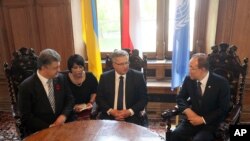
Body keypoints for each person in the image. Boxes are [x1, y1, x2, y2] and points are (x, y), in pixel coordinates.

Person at [171, 53, 230, 141]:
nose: (189, 70)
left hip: (210, 123)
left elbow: (223, 108)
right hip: (192, 120)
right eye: (189, 67)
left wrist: (203, 119)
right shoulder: (189, 80)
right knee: (175, 135)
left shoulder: (221, 83)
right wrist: (187, 110)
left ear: (202, 69)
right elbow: (180, 98)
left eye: (192, 68)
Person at [18, 48, 75, 134]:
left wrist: (63, 116)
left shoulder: (61, 78)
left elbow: (70, 99)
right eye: (55, 68)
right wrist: (49, 127)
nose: (59, 70)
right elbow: (26, 117)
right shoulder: (26, 86)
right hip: (41, 130)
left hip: (64, 125)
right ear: (43, 67)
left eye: (59, 66)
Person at [96, 49, 148, 126]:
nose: (125, 66)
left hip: (132, 116)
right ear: (114, 64)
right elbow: (99, 98)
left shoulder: (138, 76)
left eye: (126, 63)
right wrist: (112, 111)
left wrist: (129, 112)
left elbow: (144, 99)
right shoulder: (105, 77)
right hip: (110, 116)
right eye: (121, 64)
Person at [65, 54, 98, 120]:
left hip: (88, 108)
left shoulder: (90, 76)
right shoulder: (64, 79)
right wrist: (73, 107)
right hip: (71, 110)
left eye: (80, 67)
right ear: (70, 68)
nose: (78, 70)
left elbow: (95, 92)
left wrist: (91, 102)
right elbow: (63, 97)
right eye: (75, 68)